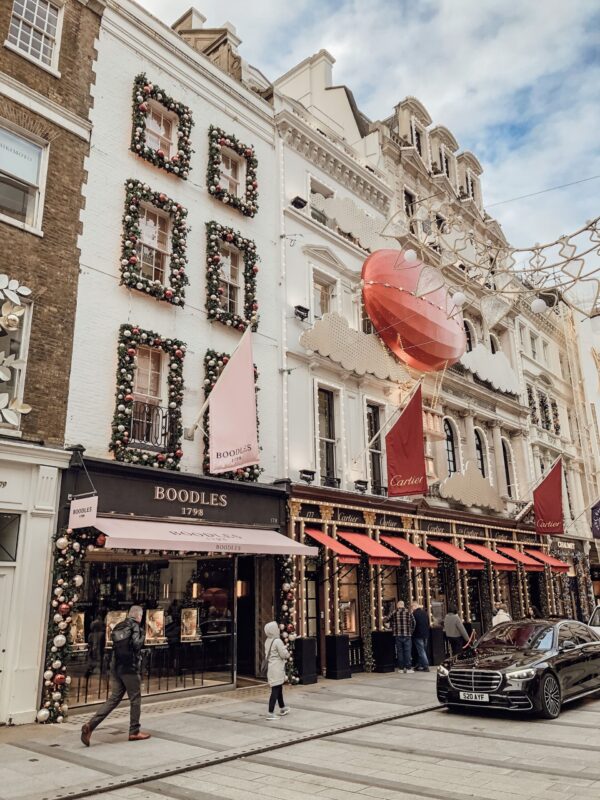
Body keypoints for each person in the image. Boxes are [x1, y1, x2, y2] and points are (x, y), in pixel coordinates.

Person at [81, 606, 150, 745]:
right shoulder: (135, 627)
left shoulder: (119, 625)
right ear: (139, 616)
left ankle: (91, 725)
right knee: (135, 699)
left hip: (116, 666)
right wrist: (143, 636)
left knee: (114, 698)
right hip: (129, 668)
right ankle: (134, 731)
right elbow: (137, 645)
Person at [264, 621, 291, 720]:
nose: (278, 629)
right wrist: (287, 652)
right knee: (275, 690)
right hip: (277, 668)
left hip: (271, 667)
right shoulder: (277, 641)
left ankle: (282, 708)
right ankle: (270, 713)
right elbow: (284, 654)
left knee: (278, 688)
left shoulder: (267, 641)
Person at [390, 600, 415, 673]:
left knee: (400, 651)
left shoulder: (394, 612)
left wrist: (392, 625)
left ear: (398, 605)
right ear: (403, 605)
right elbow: (414, 622)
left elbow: (386, 619)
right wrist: (411, 631)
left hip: (398, 635)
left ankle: (401, 668)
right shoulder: (409, 612)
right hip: (407, 635)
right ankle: (408, 668)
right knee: (407, 651)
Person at [411, 601, 431, 672]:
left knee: (421, 651)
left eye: (412, 607)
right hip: (425, 634)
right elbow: (428, 623)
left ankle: (426, 666)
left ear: (414, 606)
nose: (411, 608)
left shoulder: (414, 614)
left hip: (417, 635)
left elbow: (412, 625)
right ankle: (419, 665)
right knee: (423, 650)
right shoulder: (425, 613)